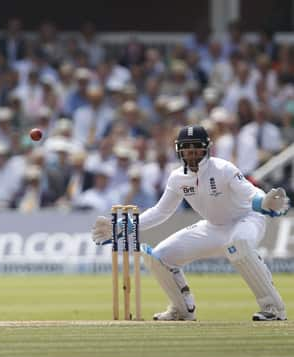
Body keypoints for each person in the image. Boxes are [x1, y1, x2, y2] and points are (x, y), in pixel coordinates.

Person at [91, 125, 289, 321]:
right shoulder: (177, 178)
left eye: (196, 150)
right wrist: (124, 226)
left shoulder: (223, 168)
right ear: (179, 151)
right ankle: (182, 309)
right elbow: (161, 211)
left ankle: (273, 308)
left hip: (245, 220)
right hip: (213, 227)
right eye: (187, 150)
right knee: (159, 257)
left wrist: (262, 201)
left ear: (206, 149)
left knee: (239, 244)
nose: (192, 155)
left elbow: (250, 192)